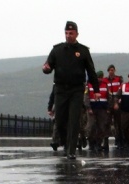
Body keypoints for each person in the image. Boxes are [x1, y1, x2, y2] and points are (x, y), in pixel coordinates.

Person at [42, 21, 100, 159]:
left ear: (77, 34)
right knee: (60, 120)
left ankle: (71, 150)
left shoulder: (83, 51)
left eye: (71, 33)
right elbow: (48, 66)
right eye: (66, 33)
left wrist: (96, 90)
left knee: (74, 120)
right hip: (61, 89)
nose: (68, 36)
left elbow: (91, 71)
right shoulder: (57, 50)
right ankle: (64, 142)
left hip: (76, 90)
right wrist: (46, 69)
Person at [86, 71, 112, 152]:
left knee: (102, 127)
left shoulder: (105, 85)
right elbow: (86, 97)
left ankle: (98, 143)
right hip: (92, 109)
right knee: (91, 126)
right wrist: (88, 108)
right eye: (98, 77)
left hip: (102, 109)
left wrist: (108, 108)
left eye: (101, 77)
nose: (99, 79)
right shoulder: (89, 85)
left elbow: (109, 97)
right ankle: (91, 142)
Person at [107, 64, 123, 148]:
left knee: (118, 123)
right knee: (107, 123)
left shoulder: (119, 79)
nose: (111, 71)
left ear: (114, 70)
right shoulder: (105, 80)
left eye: (112, 70)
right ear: (108, 71)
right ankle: (105, 141)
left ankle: (119, 140)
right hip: (109, 103)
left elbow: (121, 91)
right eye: (110, 70)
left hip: (117, 102)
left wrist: (117, 102)